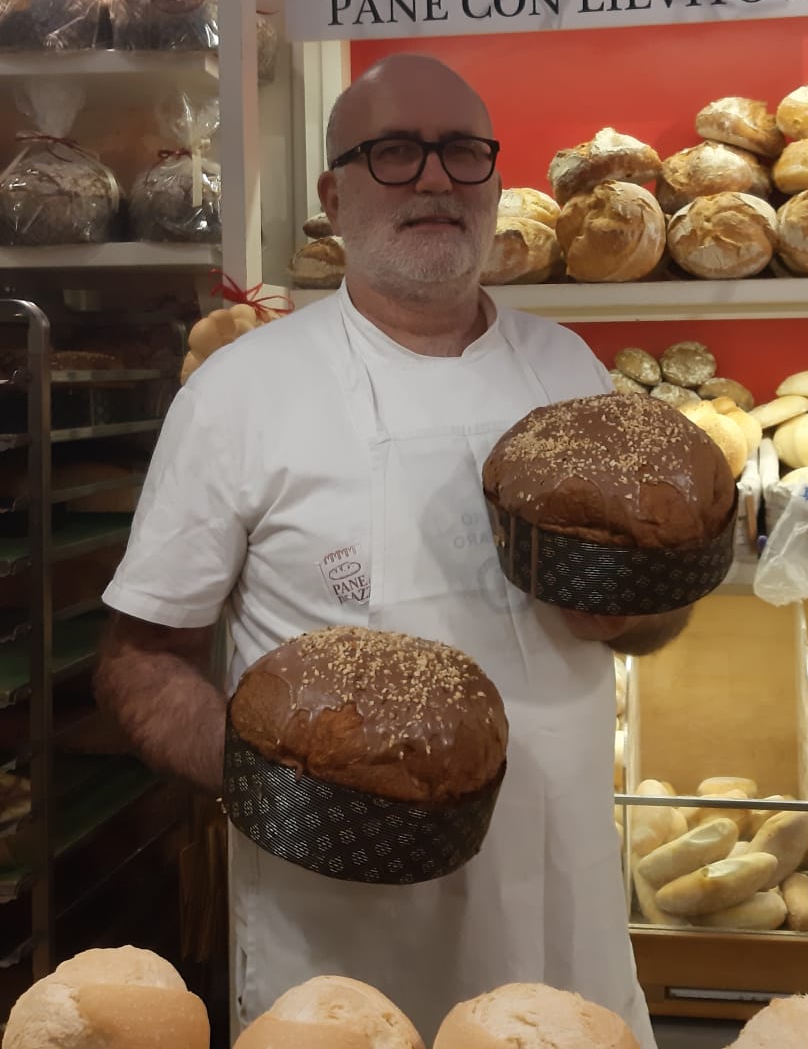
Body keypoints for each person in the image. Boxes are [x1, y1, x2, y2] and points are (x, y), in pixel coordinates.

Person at [95, 53, 685, 1047]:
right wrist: (271, 781)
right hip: (338, 951)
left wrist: (644, 612)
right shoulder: (242, 391)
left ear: (495, 183)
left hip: (558, 913)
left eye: (463, 153)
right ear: (334, 195)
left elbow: (655, 614)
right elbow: (138, 660)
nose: (436, 180)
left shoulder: (567, 371)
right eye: (395, 153)